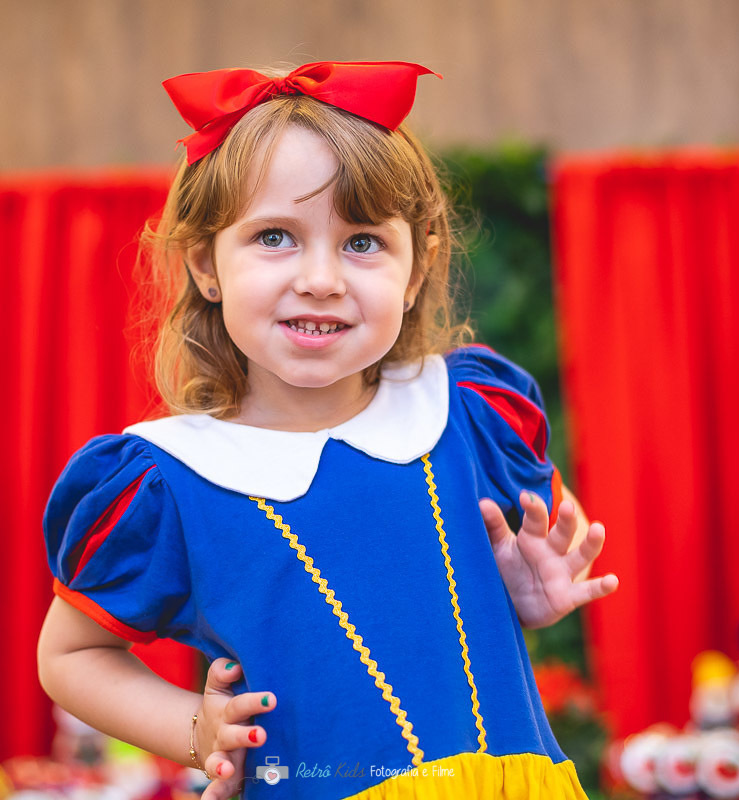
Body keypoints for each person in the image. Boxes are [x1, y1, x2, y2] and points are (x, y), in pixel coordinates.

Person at [37, 60, 619, 800]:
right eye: (275, 236)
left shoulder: (465, 411)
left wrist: (519, 603)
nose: (321, 277)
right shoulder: (170, 476)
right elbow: (71, 655)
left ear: (417, 270)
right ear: (205, 265)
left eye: (363, 242)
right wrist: (195, 729)